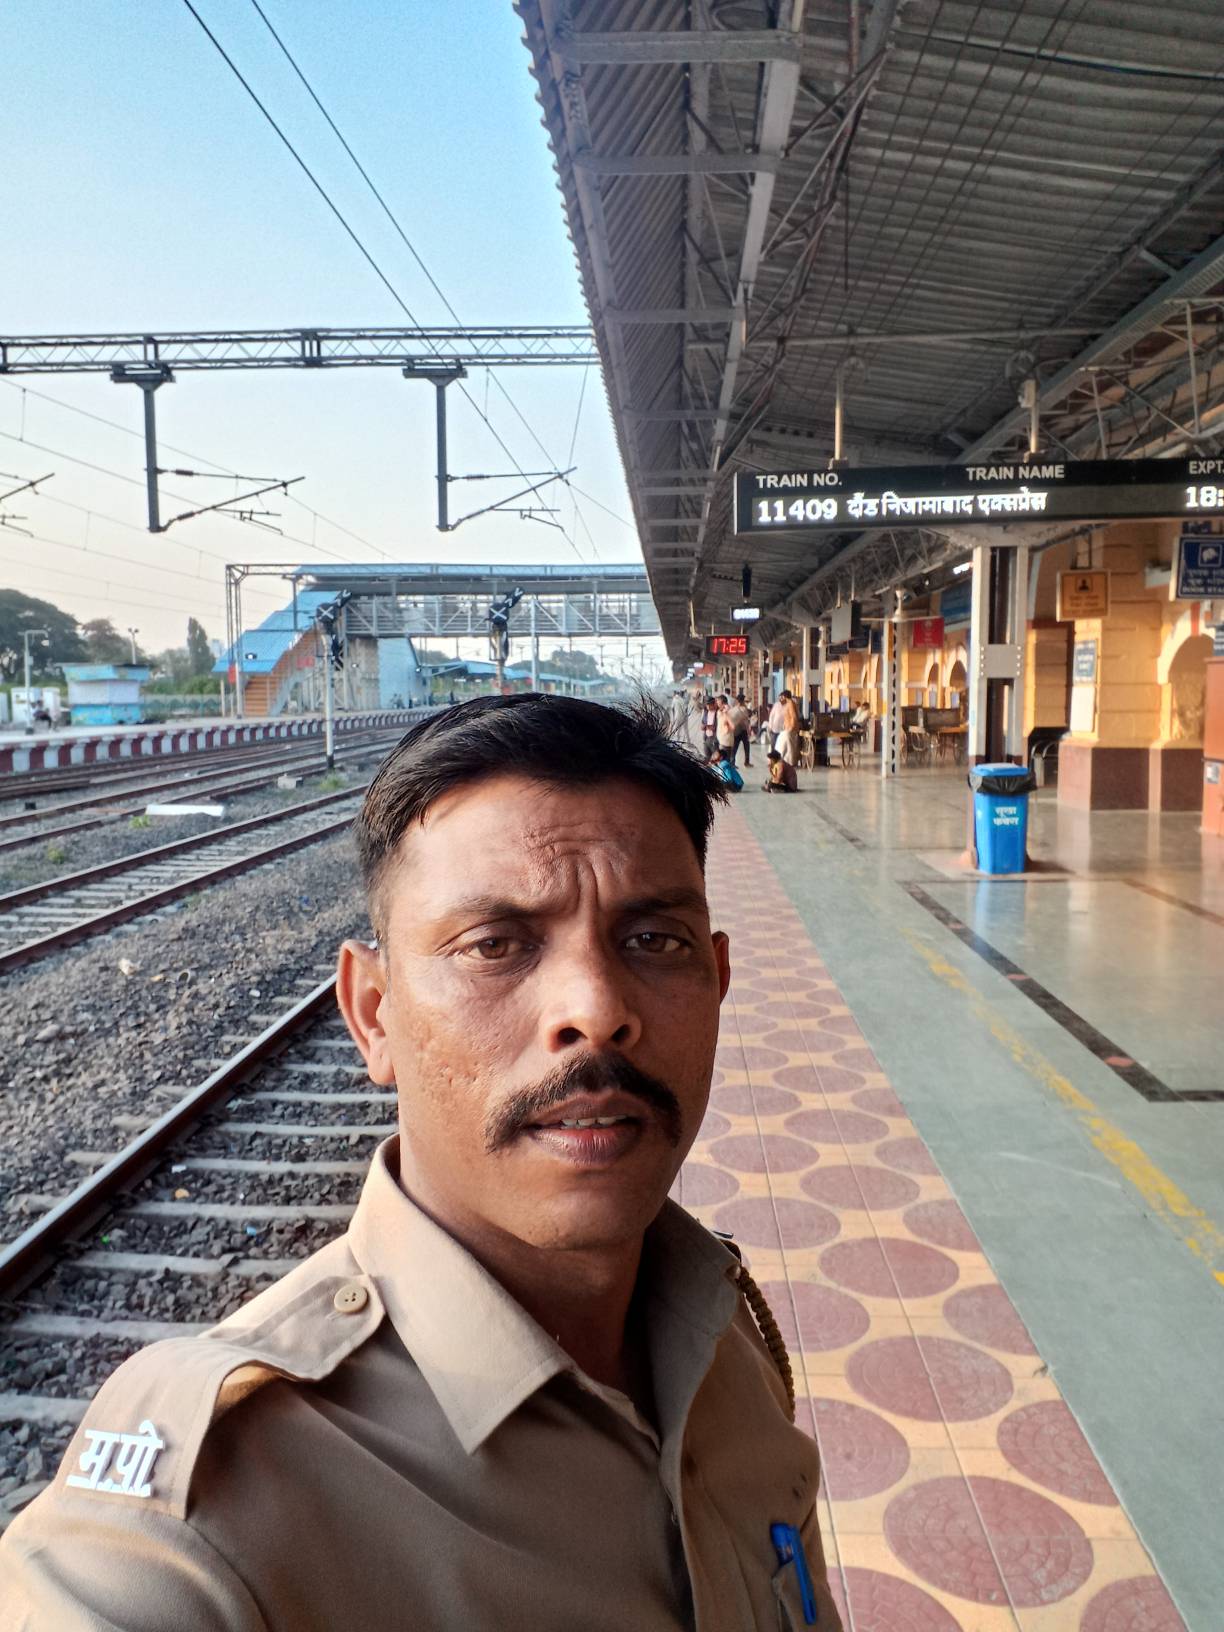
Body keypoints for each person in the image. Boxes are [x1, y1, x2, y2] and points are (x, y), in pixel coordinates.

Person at [0, 695, 841, 1632]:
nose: (596, 1008)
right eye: (494, 946)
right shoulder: (211, 1508)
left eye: (654, 941)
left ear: (717, 981)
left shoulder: (726, 1329)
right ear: (373, 1015)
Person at [776, 690, 801, 767]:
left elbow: (794, 716)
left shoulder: (790, 704)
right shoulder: (788, 704)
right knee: (787, 746)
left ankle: (791, 763)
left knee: (791, 747)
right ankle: (784, 761)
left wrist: (791, 727)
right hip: (787, 728)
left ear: (785, 696)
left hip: (791, 729)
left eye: (782, 697)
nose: (781, 699)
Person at [728, 693, 751, 767]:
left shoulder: (733, 709)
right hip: (743, 730)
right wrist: (748, 731)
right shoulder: (744, 709)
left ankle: (732, 763)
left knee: (734, 747)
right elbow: (746, 721)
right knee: (746, 747)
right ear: (743, 701)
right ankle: (746, 762)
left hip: (736, 730)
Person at [714, 694, 735, 761]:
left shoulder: (729, 713)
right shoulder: (719, 712)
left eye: (718, 701)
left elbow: (733, 726)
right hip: (721, 740)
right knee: (722, 761)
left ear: (722, 703)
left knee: (724, 761)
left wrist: (727, 712)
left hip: (726, 741)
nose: (717, 702)